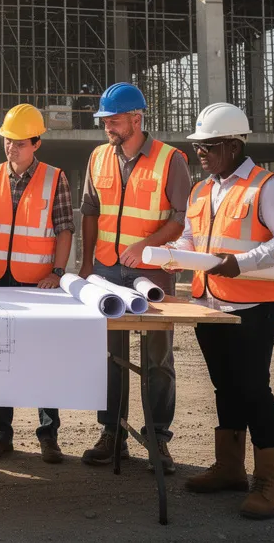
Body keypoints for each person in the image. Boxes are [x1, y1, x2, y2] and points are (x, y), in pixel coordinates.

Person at [174, 102, 274, 520]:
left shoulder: (269, 187)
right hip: (210, 305)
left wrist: (242, 263)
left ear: (233, 145)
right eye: (198, 146)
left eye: (208, 146)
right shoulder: (202, 190)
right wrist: (172, 256)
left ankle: (268, 480)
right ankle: (230, 467)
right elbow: (191, 240)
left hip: (254, 305)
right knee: (225, 388)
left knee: (253, 389)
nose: (201, 153)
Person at [78, 82, 190, 473]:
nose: (107, 126)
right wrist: (86, 263)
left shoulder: (170, 159)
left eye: (114, 120)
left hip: (153, 273)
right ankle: (112, 435)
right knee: (110, 356)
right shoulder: (98, 158)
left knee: (157, 357)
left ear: (137, 119)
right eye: (104, 120)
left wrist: (146, 245)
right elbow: (90, 211)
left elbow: (180, 219)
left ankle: (158, 439)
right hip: (107, 270)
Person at [0, 104, 74, 463]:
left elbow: (64, 230)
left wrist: (57, 273)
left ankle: (48, 434)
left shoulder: (55, 178)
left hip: (39, 285)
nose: (11, 147)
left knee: (44, 360)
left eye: (19, 142)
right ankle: (1, 433)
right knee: (1, 359)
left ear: (36, 143)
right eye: (7, 141)